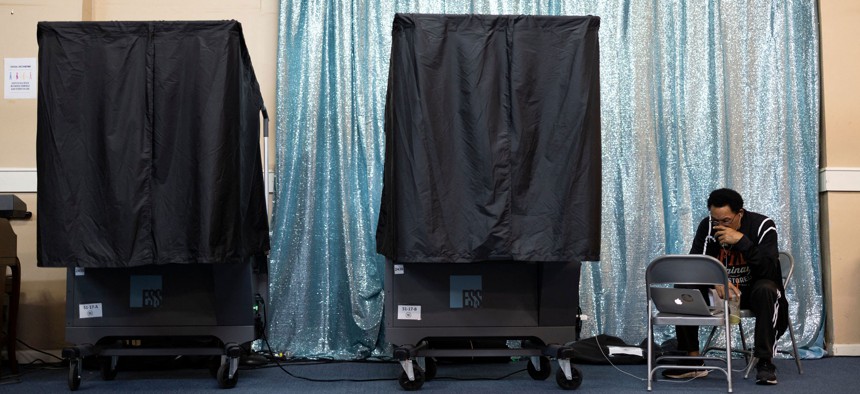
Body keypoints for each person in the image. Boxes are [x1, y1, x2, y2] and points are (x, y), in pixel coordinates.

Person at [662, 188, 788, 385]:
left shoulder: (763, 226)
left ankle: (765, 362)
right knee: (684, 285)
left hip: (751, 291)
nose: (719, 226)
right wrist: (716, 279)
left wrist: (742, 241)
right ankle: (693, 360)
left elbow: (769, 270)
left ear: (740, 214)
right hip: (719, 291)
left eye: (726, 221)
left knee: (767, 289)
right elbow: (696, 263)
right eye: (716, 220)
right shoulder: (707, 226)